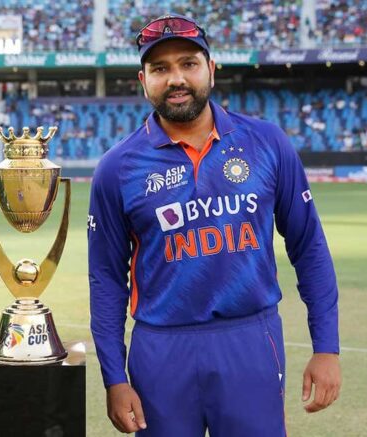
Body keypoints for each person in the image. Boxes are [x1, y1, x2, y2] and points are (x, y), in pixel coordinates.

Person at [88, 13, 341, 436]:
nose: (175, 79)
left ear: (211, 69)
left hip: (250, 340)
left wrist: (327, 348)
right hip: (160, 349)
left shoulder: (267, 143)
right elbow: (106, 279)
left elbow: (309, 247)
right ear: (142, 79)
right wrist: (114, 377)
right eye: (160, 69)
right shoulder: (117, 168)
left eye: (188, 63)